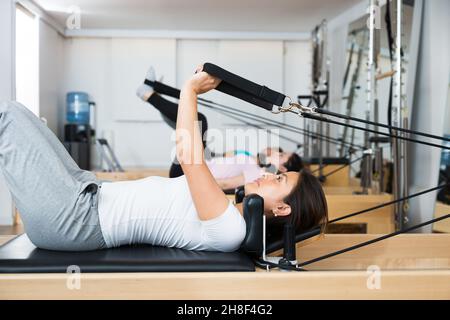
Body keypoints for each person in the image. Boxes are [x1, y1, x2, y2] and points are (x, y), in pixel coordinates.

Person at [0, 65, 327, 252]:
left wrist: (190, 90)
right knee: (24, 118)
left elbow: (188, 156)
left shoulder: (230, 228)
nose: (271, 174)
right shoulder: (228, 210)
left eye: (280, 180)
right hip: (84, 193)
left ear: (282, 208)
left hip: (73, 219)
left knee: (8, 115)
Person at [136, 67, 303, 190]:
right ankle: (155, 89)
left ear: (282, 169)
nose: (277, 152)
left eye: (281, 155)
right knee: (193, 123)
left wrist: (187, 187)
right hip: (197, 165)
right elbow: (219, 158)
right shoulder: (255, 161)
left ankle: (149, 95)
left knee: (199, 120)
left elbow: (223, 184)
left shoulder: (257, 174)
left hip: (186, 176)